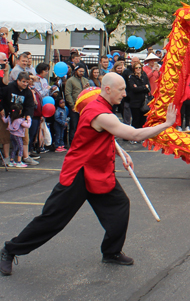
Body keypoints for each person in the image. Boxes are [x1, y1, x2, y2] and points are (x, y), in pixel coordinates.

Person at [0, 73, 177, 276]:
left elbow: (104, 134)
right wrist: (166, 124)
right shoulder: (100, 112)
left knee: (120, 205)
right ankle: (9, 250)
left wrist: (122, 150)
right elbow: (134, 134)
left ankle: (111, 252)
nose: (125, 93)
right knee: (52, 219)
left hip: (99, 171)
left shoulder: (101, 108)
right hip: (79, 173)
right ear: (108, 90)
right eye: (121, 90)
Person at [1, 72, 38, 166]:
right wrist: (1, 109)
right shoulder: (9, 87)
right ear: (18, 81)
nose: (25, 84)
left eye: (27, 82)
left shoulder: (28, 92)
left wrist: (28, 116)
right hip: (8, 115)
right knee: (5, 137)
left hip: (20, 117)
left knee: (25, 137)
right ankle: (6, 158)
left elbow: (30, 105)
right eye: (23, 82)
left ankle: (25, 157)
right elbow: (1, 98)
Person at [65, 65, 90, 145]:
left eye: (83, 71)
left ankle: (81, 143)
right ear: (76, 71)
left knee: (83, 126)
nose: (81, 73)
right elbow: (68, 93)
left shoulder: (85, 80)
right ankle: (73, 143)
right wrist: (72, 105)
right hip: (75, 106)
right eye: (80, 71)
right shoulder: (70, 80)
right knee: (74, 125)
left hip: (84, 106)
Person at [126, 62, 150, 140]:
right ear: (134, 69)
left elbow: (148, 88)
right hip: (135, 102)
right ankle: (134, 138)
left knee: (143, 120)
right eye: (136, 68)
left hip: (143, 102)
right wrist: (144, 87)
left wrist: (140, 87)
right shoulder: (131, 77)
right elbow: (133, 89)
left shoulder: (144, 76)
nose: (138, 69)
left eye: (139, 67)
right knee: (135, 120)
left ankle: (141, 137)